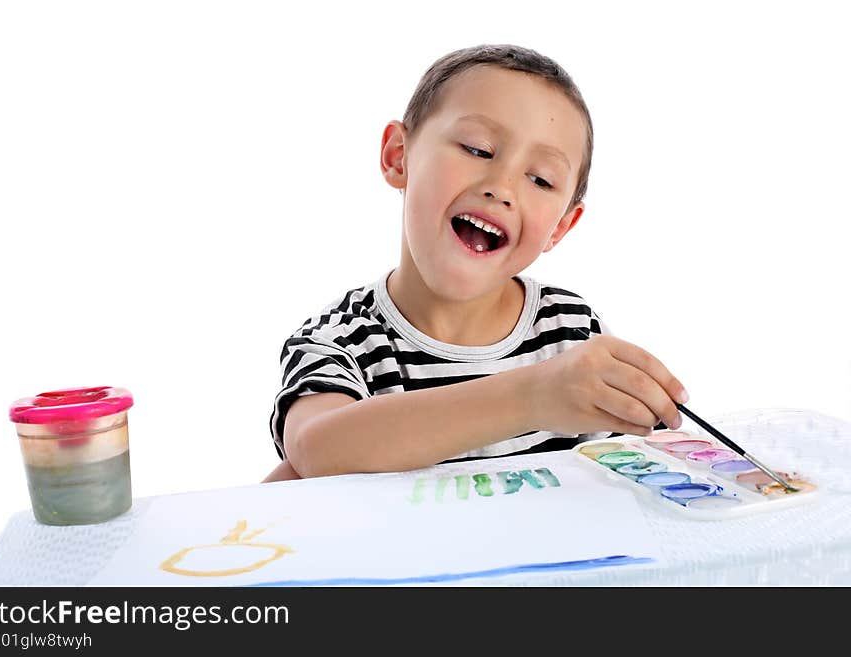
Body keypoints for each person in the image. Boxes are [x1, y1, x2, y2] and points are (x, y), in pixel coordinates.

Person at [262, 44, 688, 484]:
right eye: (478, 150)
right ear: (398, 156)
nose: (501, 187)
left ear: (561, 226)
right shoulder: (340, 340)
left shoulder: (571, 332)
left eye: (540, 179)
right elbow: (317, 450)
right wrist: (534, 396)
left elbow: (640, 479)